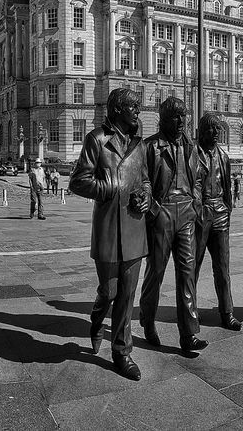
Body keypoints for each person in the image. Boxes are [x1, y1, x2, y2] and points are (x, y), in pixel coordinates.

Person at [70, 87, 150, 381]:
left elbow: (145, 180)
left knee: (128, 296)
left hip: (134, 228)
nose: (138, 114)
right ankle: (96, 318)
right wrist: (111, 188)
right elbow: (78, 181)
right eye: (134, 108)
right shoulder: (97, 140)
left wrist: (146, 196)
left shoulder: (138, 145)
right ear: (117, 110)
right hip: (107, 229)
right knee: (109, 292)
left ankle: (122, 352)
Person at [139, 97, 208, 355]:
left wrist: (196, 201)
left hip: (187, 213)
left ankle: (188, 334)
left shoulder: (190, 146)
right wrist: (155, 210)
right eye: (175, 117)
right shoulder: (150, 147)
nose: (181, 121)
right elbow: (142, 180)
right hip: (163, 213)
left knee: (187, 274)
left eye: (184, 116)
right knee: (155, 272)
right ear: (163, 118)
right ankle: (147, 319)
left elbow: (198, 177)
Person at [194, 113, 241, 331]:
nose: (215, 133)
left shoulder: (223, 156)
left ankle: (227, 312)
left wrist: (228, 209)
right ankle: (190, 310)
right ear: (202, 131)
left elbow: (228, 188)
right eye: (211, 129)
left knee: (223, 268)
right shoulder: (193, 154)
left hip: (221, 213)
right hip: (201, 213)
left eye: (217, 129)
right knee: (192, 267)